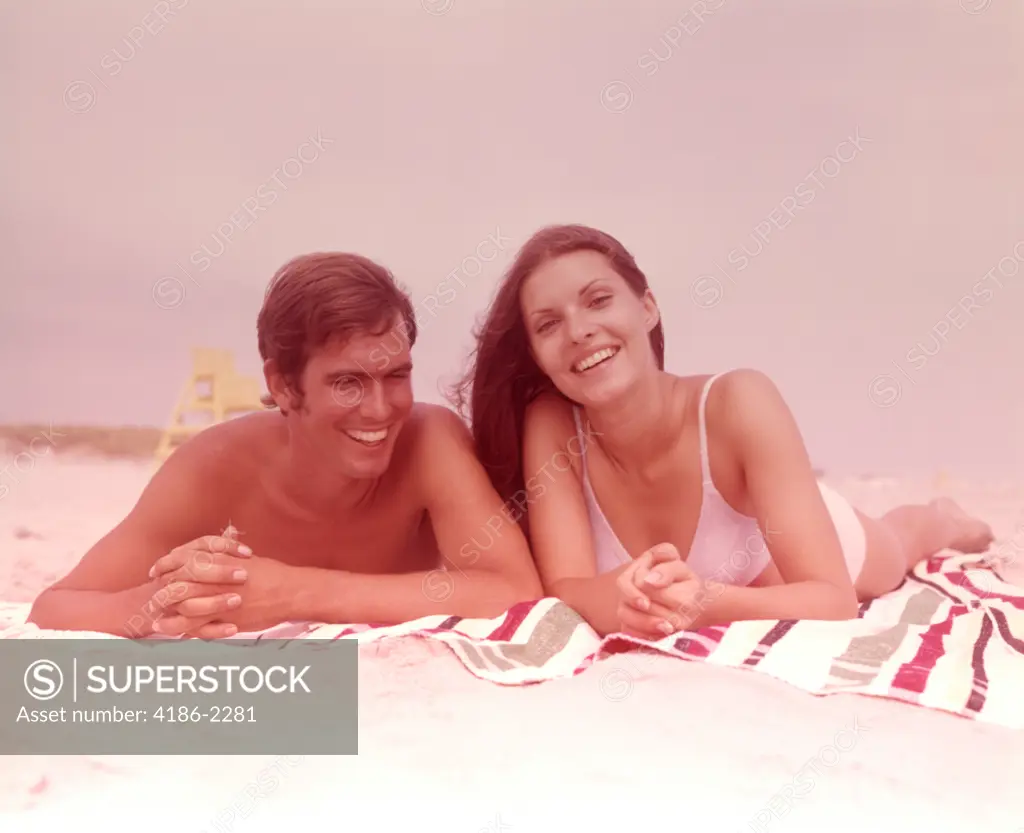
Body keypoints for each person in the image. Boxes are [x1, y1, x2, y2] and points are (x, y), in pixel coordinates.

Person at [450, 224, 995, 640]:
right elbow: (567, 589)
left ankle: (942, 518)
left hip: (809, 550)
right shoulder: (552, 425)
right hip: (737, 568)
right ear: (538, 355)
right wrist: (624, 598)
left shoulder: (738, 402)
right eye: (548, 324)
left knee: (899, 542)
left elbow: (833, 602)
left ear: (647, 307)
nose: (579, 330)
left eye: (598, 300)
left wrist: (703, 602)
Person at [29, 252, 542, 638]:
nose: (381, 408)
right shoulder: (215, 466)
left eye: (396, 375)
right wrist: (170, 604)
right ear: (282, 386)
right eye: (348, 382)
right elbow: (55, 607)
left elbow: (512, 589)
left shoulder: (430, 442)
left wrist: (292, 591)